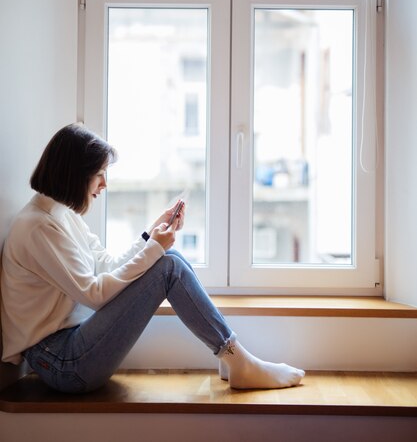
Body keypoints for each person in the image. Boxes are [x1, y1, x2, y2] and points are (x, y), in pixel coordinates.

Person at [1, 123, 305, 394]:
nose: (104, 185)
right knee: (167, 264)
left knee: (168, 257)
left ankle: (233, 358)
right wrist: (154, 250)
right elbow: (94, 294)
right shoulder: (38, 227)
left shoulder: (60, 215)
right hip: (60, 362)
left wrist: (151, 235)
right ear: (75, 174)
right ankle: (237, 360)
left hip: (68, 349)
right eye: (99, 175)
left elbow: (106, 265)